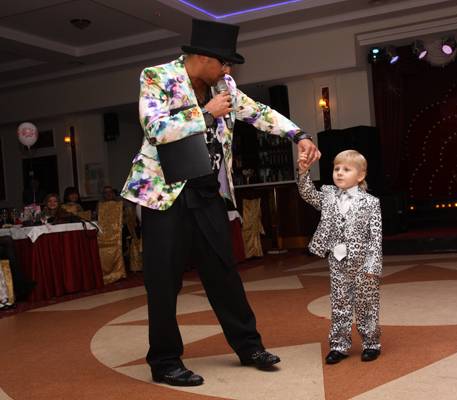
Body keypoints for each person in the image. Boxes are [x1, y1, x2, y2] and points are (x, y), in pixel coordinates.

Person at [121, 19, 320, 386]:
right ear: (202, 57)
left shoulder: (223, 86)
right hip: (164, 195)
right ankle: (164, 361)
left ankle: (249, 347)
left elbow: (258, 112)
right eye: (224, 63)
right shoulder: (157, 77)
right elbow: (155, 128)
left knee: (224, 273)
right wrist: (205, 113)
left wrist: (300, 135)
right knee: (163, 281)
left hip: (207, 191)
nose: (228, 71)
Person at [297, 150, 382, 364]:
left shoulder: (371, 202)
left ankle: (371, 343)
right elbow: (308, 193)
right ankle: (339, 345)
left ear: (360, 175)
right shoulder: (328, 195)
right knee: (339, 304)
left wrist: (373, 266)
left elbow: (375, 237)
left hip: (363, 263)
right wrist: (303, 172)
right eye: (336, 169)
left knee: (366, 305)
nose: (340, 173)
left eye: (346, 169)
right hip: (337, 261)